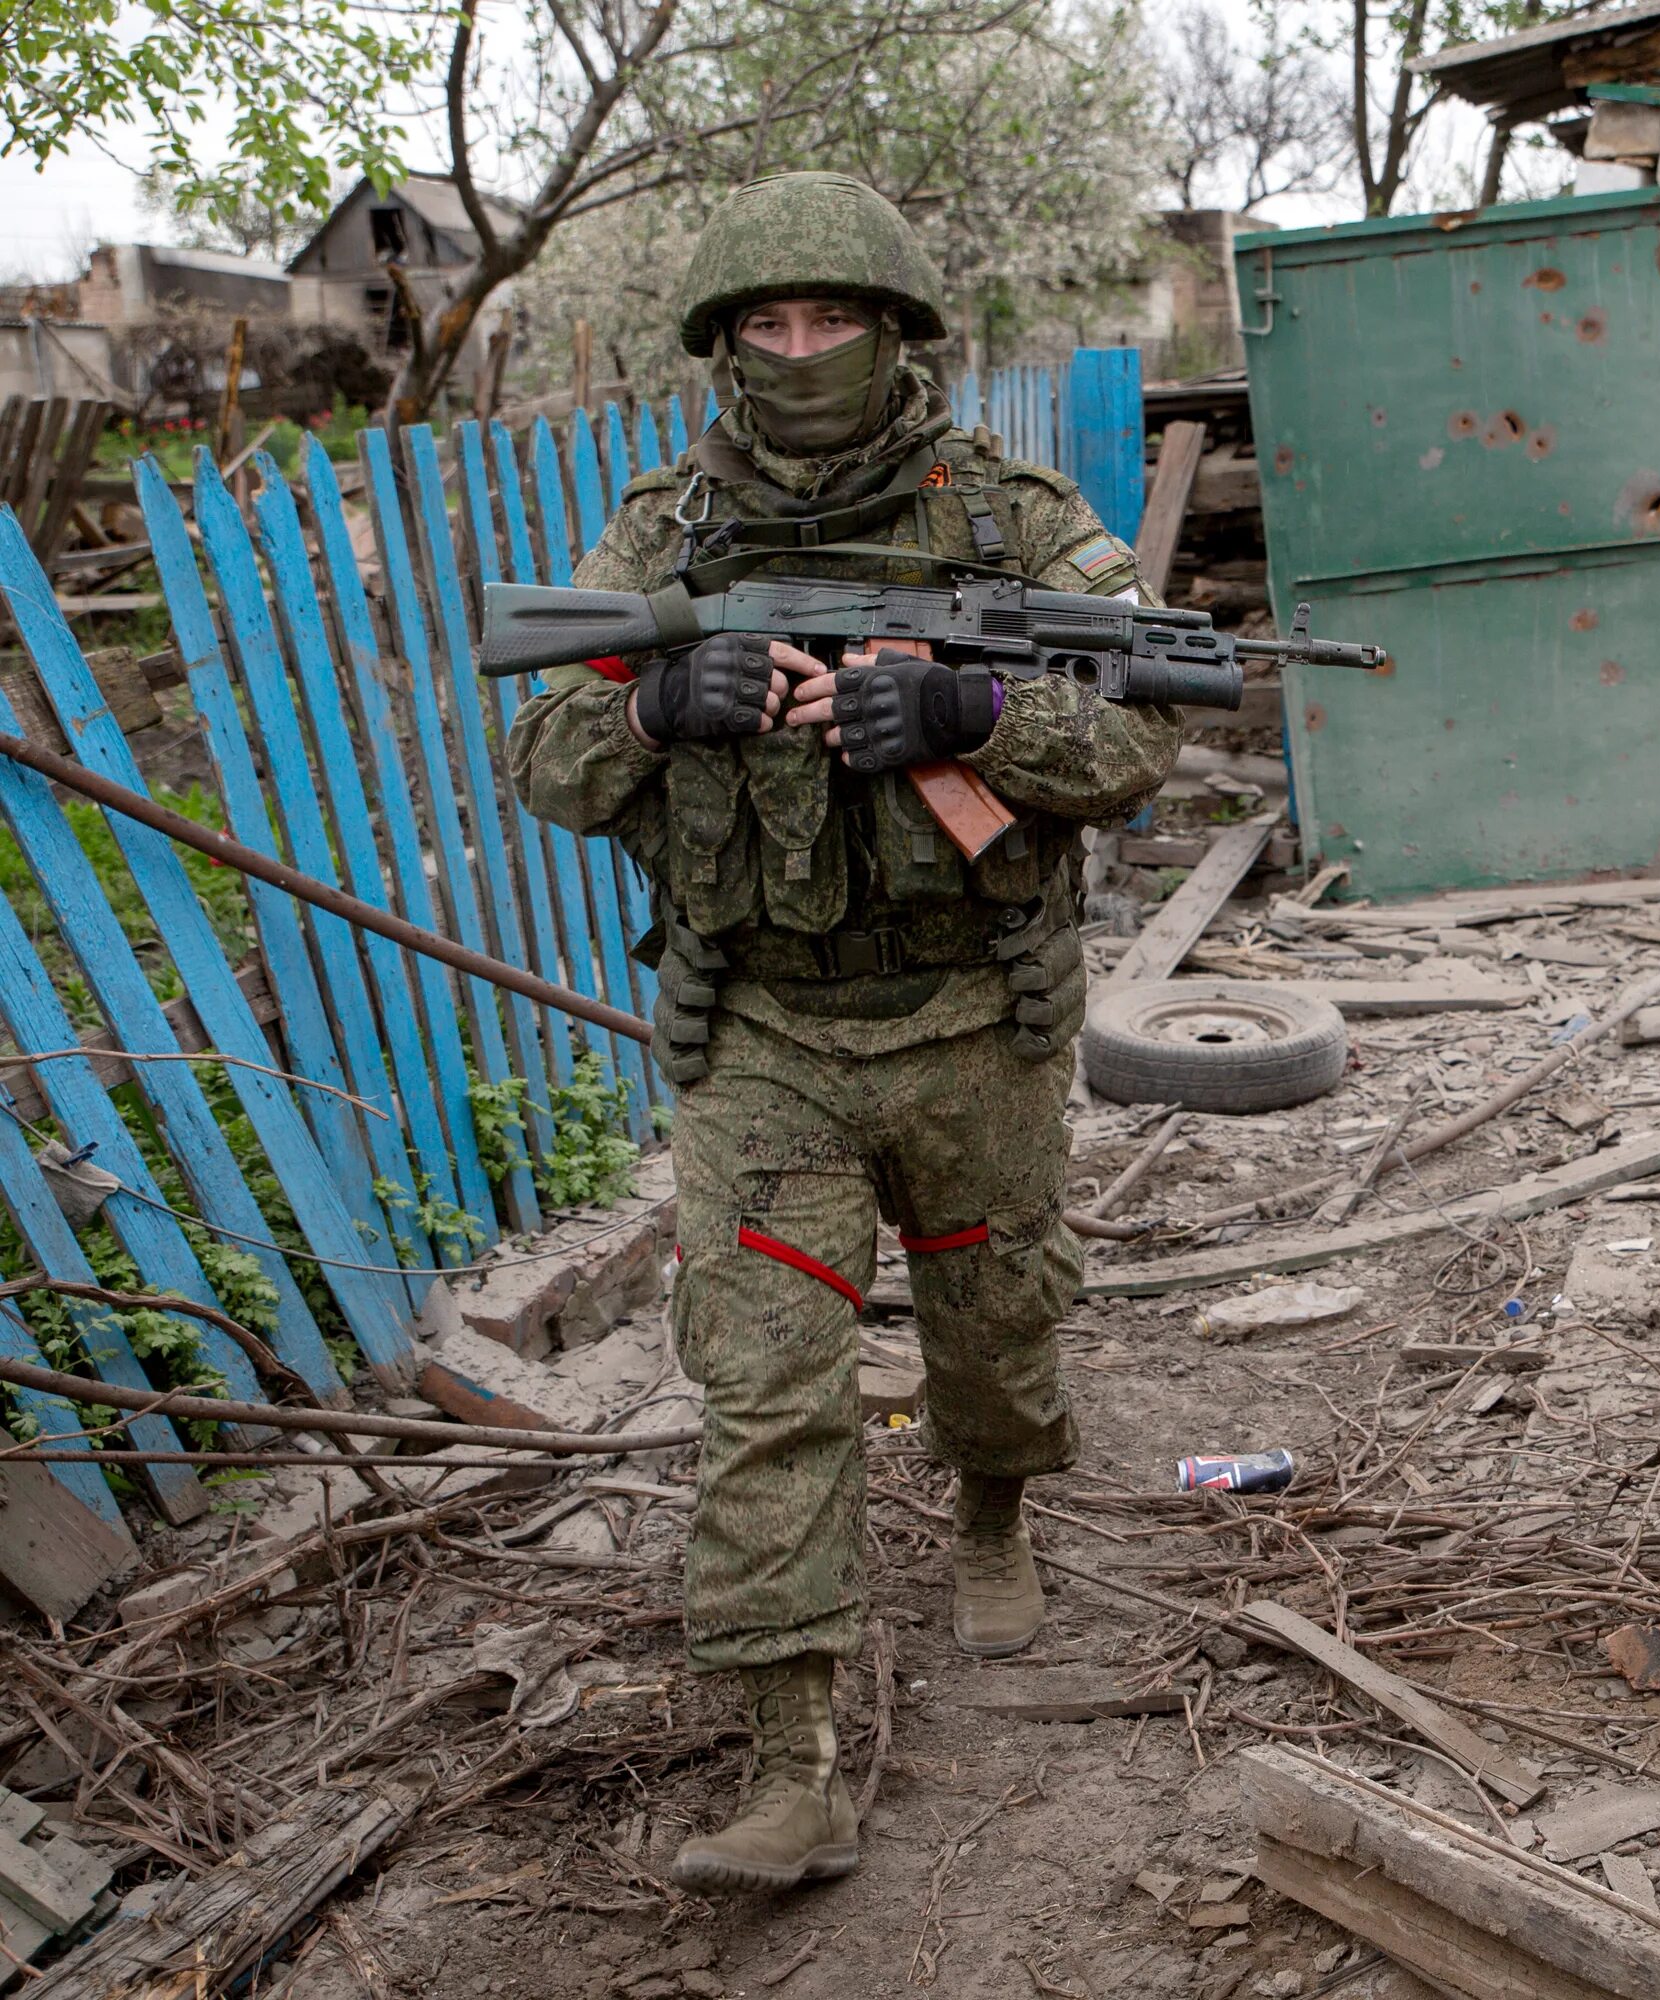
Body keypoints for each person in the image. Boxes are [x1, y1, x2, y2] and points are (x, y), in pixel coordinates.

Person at [506, 171, 1181, 1896]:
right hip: (762, 1036)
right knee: (761, 1385)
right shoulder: (659, 539)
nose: (801, 353)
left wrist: (971, 708)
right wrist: (660, 703)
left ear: (898, 339)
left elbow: (1138, 743)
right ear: (726, 348)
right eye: (769, 326)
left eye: (835, 323)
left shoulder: (1011, 518)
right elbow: (545, 767)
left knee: (994, 1317)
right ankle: (788, 1757)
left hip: (977, 1017)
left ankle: (995, 1506)